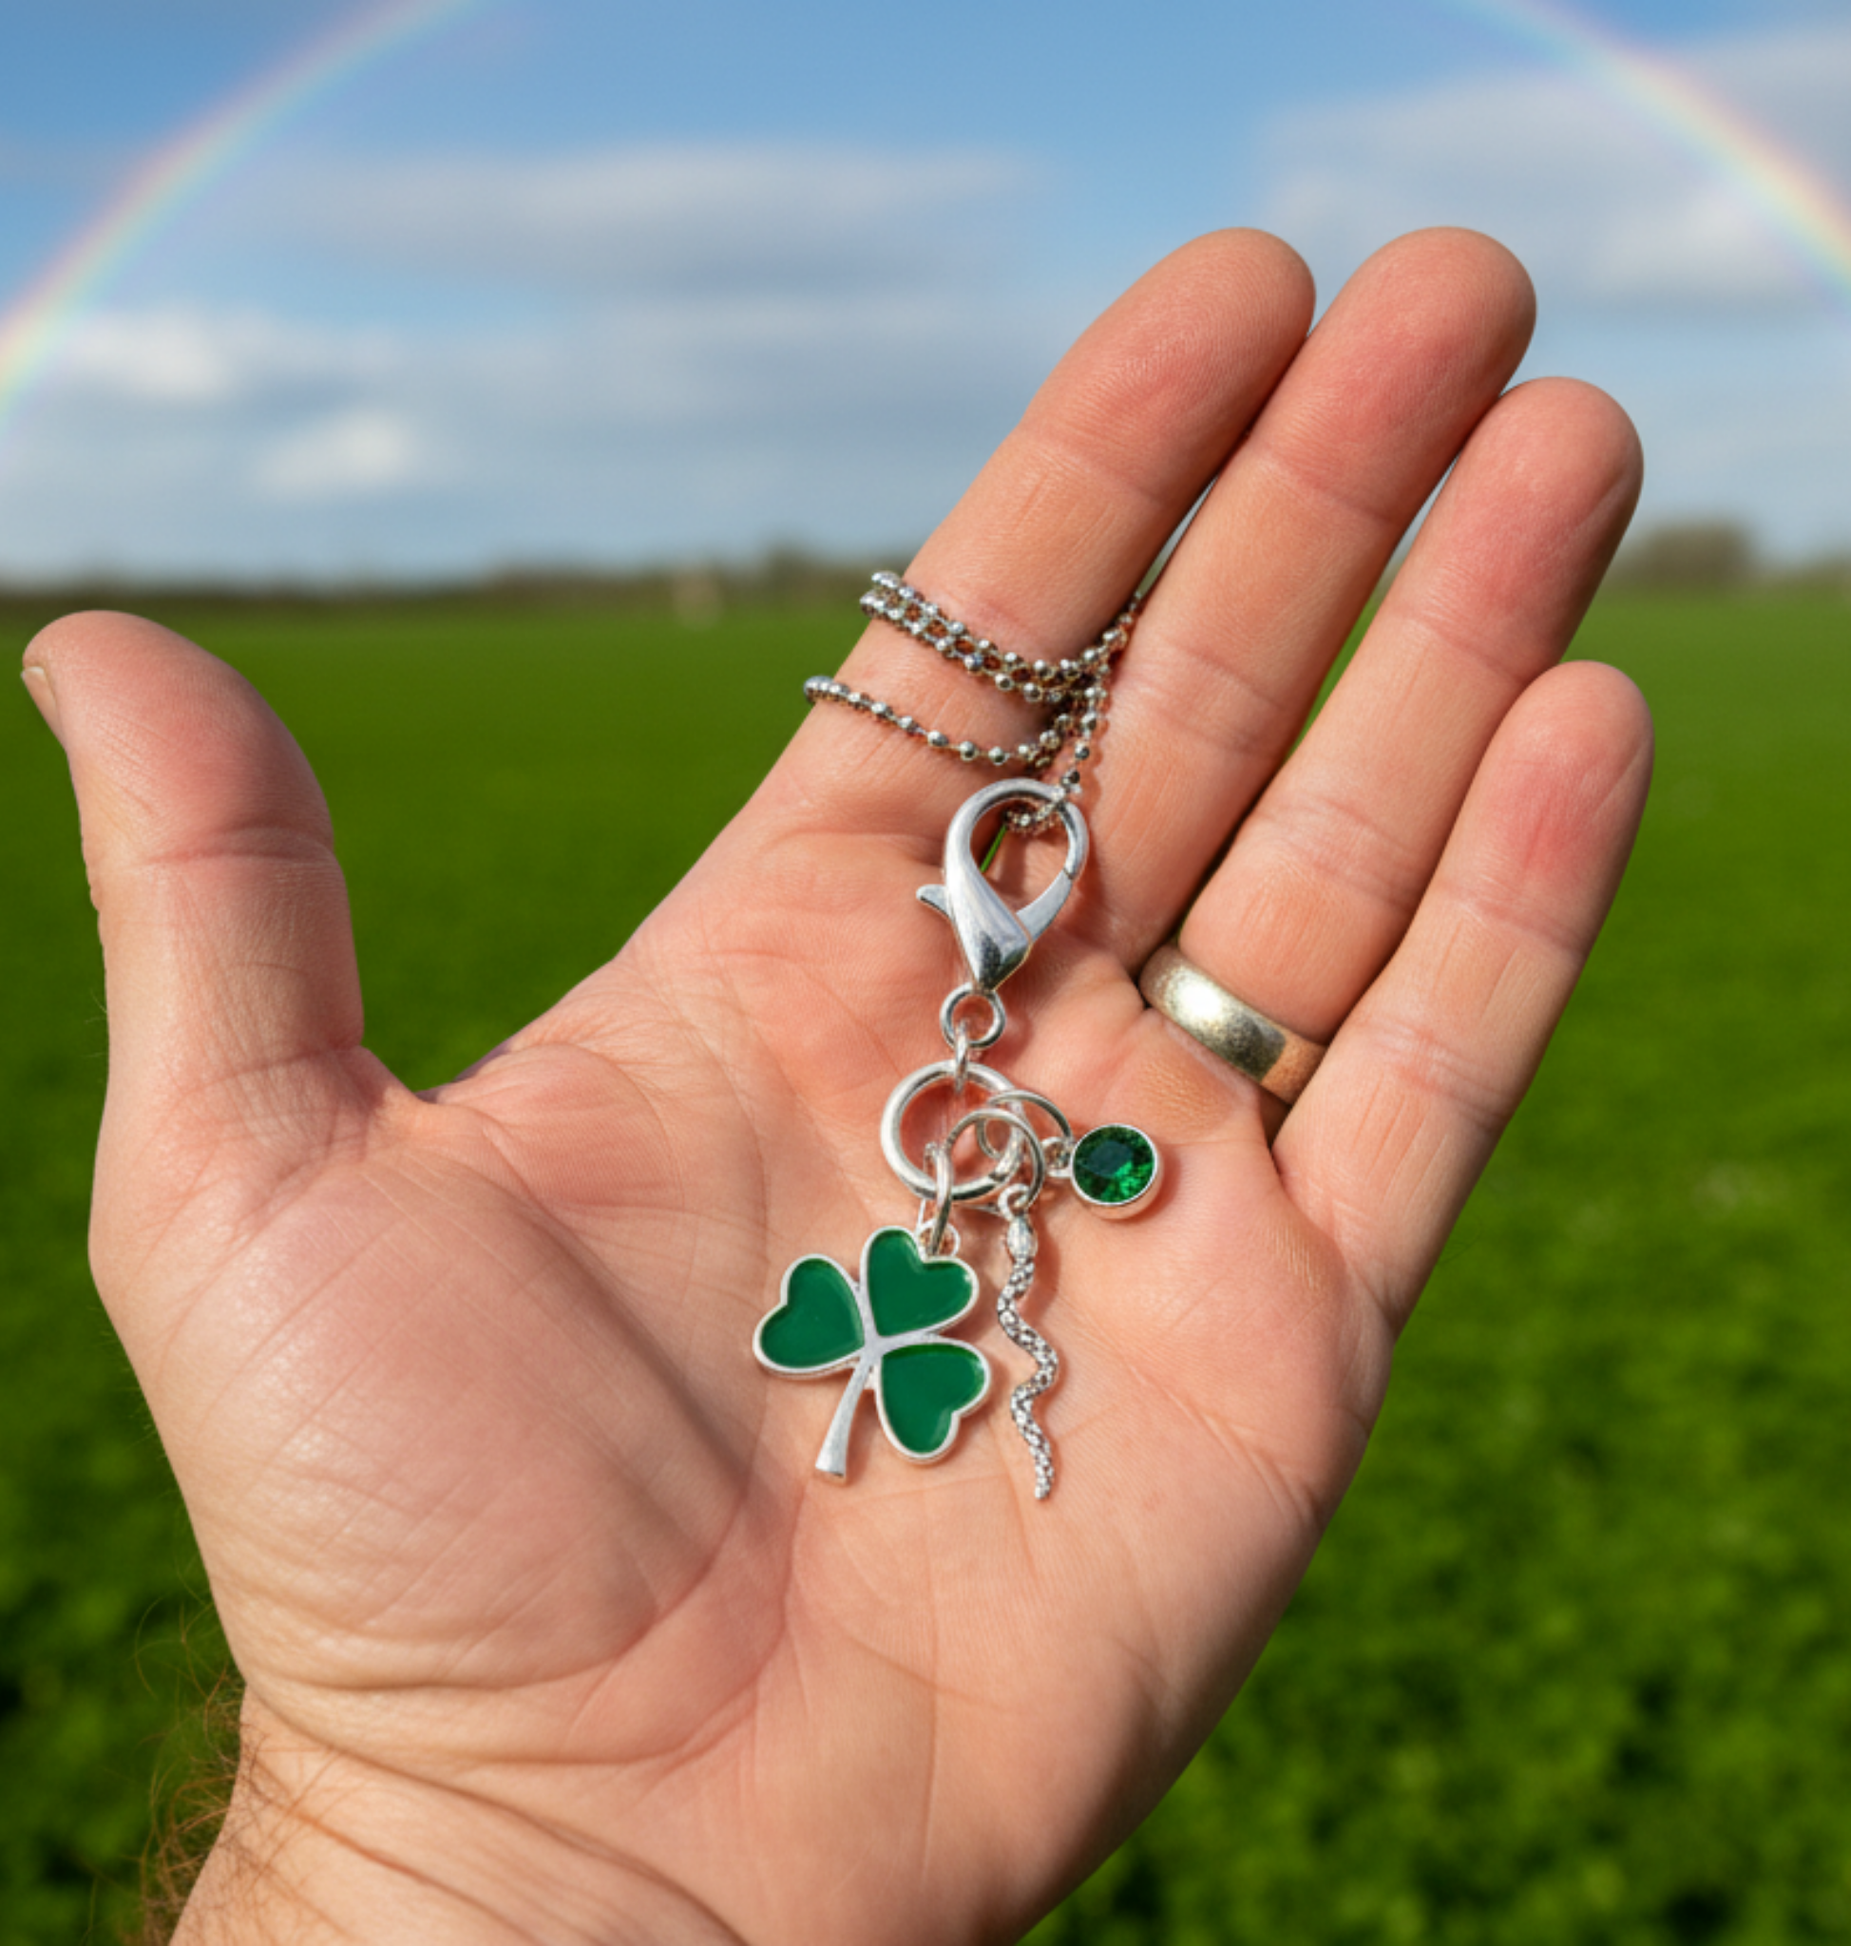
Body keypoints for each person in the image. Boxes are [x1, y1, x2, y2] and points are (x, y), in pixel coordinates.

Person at [19, 228, 1650, 1943]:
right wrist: (462, 1831)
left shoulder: (982, 1105)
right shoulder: (973, 1127)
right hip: (935, 1238)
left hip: (954, 1190)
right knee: (926, 1319)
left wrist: (453, 1854)